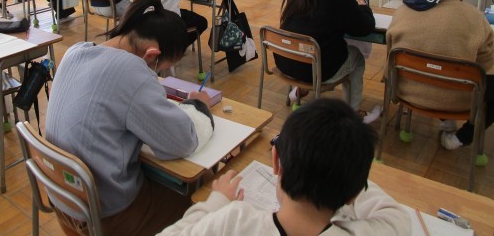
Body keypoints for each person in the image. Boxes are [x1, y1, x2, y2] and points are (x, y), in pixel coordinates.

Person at [45, 0, 215, 236]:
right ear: (152, 55)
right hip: (107, 218)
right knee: (205, 187)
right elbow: (182, 141)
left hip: (64, 199)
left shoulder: (76, 51)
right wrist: (198, 106)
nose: (157, 75)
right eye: (160, 69)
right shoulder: (131, 71)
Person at [157, 98, 410, 235]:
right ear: (355, 192)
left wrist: (216, 202)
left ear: (276, 160)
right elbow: (396, 217)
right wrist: (346, 168)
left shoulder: (232, 220)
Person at [387, 0, 494, 150]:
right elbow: (486, 65)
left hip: (405, 91)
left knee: (432, 65)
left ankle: (446, 121)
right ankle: (461, 138)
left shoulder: (402, 11)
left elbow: (390, 53)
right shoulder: (476, 18)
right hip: (459, 101)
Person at [275, 0, 379, 123]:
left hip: (287, 62)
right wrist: (363, 7)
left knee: (313, 43)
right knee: (357, 58)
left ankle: (300, 89)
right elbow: (364, 28)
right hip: (317, 70)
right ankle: (353, 114)